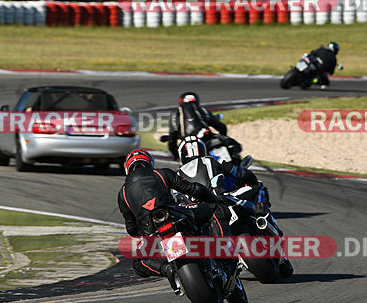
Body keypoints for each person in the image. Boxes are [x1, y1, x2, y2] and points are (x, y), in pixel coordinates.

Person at [176, 136, 293, 278]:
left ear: (182, 155)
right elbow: (240, 173)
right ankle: (263, 218)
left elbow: (177, 201)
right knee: (259, 187)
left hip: (202, 215)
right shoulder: (211, 160)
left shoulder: (177, 175)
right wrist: (250, 179)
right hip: (225, 199)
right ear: (202, 150)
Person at [117, 149, 230, 284]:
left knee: (138, 263)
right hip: (174, 214)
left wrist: (145, 234)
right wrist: (214, 199)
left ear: (127, 168)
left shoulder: (122, 194)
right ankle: (221, 249)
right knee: (217, 208)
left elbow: (131, 228)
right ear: (149, 162)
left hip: (151, 230)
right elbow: (193, 189)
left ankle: (167, 269)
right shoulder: (160, 173)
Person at [165, 92, 228, 160]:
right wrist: (223, 136)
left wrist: (176, 155)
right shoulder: (203, 111)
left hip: (195, 145)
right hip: (202, 142)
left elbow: (172, 140)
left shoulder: (175, 117)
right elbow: (220, 126)